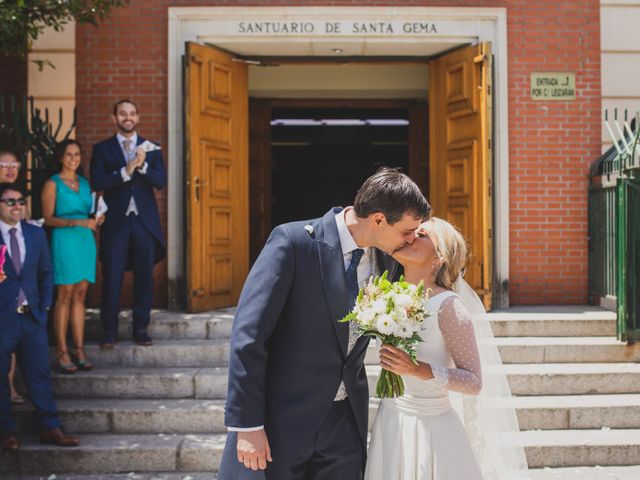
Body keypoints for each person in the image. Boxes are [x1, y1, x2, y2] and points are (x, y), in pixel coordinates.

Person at [218, 167, 431, 480]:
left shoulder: (387, 258)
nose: (411, 239)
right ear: (378, 220)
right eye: (407, 231)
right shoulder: (293, 243)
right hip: (283, 421)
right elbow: (249, 336)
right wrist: (247, 425)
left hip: (344, 425)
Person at [365, 217, 528, 480]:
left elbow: (474, 382)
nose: (408, 237)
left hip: (431, 430)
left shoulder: (449, 307)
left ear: (438, 257)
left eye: (420, 234)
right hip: (391, 421)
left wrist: (419, 370)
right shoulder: (386, 296)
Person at [0, 182, 80, 451]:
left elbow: (47, 272)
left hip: (32, 317)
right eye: (10, 201)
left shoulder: (34, 235)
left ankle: (50, 427)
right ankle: (6, 432)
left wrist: (44, 306)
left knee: (39, 374)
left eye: (20, 201)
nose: (17, 206)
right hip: (3, 319)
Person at [90, 99, 166, 349]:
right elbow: (98, 181)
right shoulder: (102, 149)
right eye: (122, 113)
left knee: (144, 276)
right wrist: (126, 170)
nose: (128, 117)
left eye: (132, 113)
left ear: (138, 117)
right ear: (114, 118)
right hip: (116, 222)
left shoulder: (152, 149)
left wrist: (141, 165)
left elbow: (160, 182)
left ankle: (141, 329)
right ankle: (109, 330)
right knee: (112, 276)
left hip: (144, 222)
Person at [42, 140, 101, 374]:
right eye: (68, 154)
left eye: (77, 154)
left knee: (81, 295)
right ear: (60, 157)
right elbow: (47, 218)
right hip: (64, 240)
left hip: (85, 241)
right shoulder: (52, 184)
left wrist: (97, 219)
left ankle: (79, 349)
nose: (73, 158)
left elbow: (91, 212)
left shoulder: (85, 184)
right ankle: (62, 351)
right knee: (64, 295)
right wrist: (77, 221)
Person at [0, 151, 25, 404]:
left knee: (13, 335)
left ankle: (10, 386)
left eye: (13, 164)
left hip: (16, 282)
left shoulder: (17, 195)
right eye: (3, 164)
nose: (9, 168)